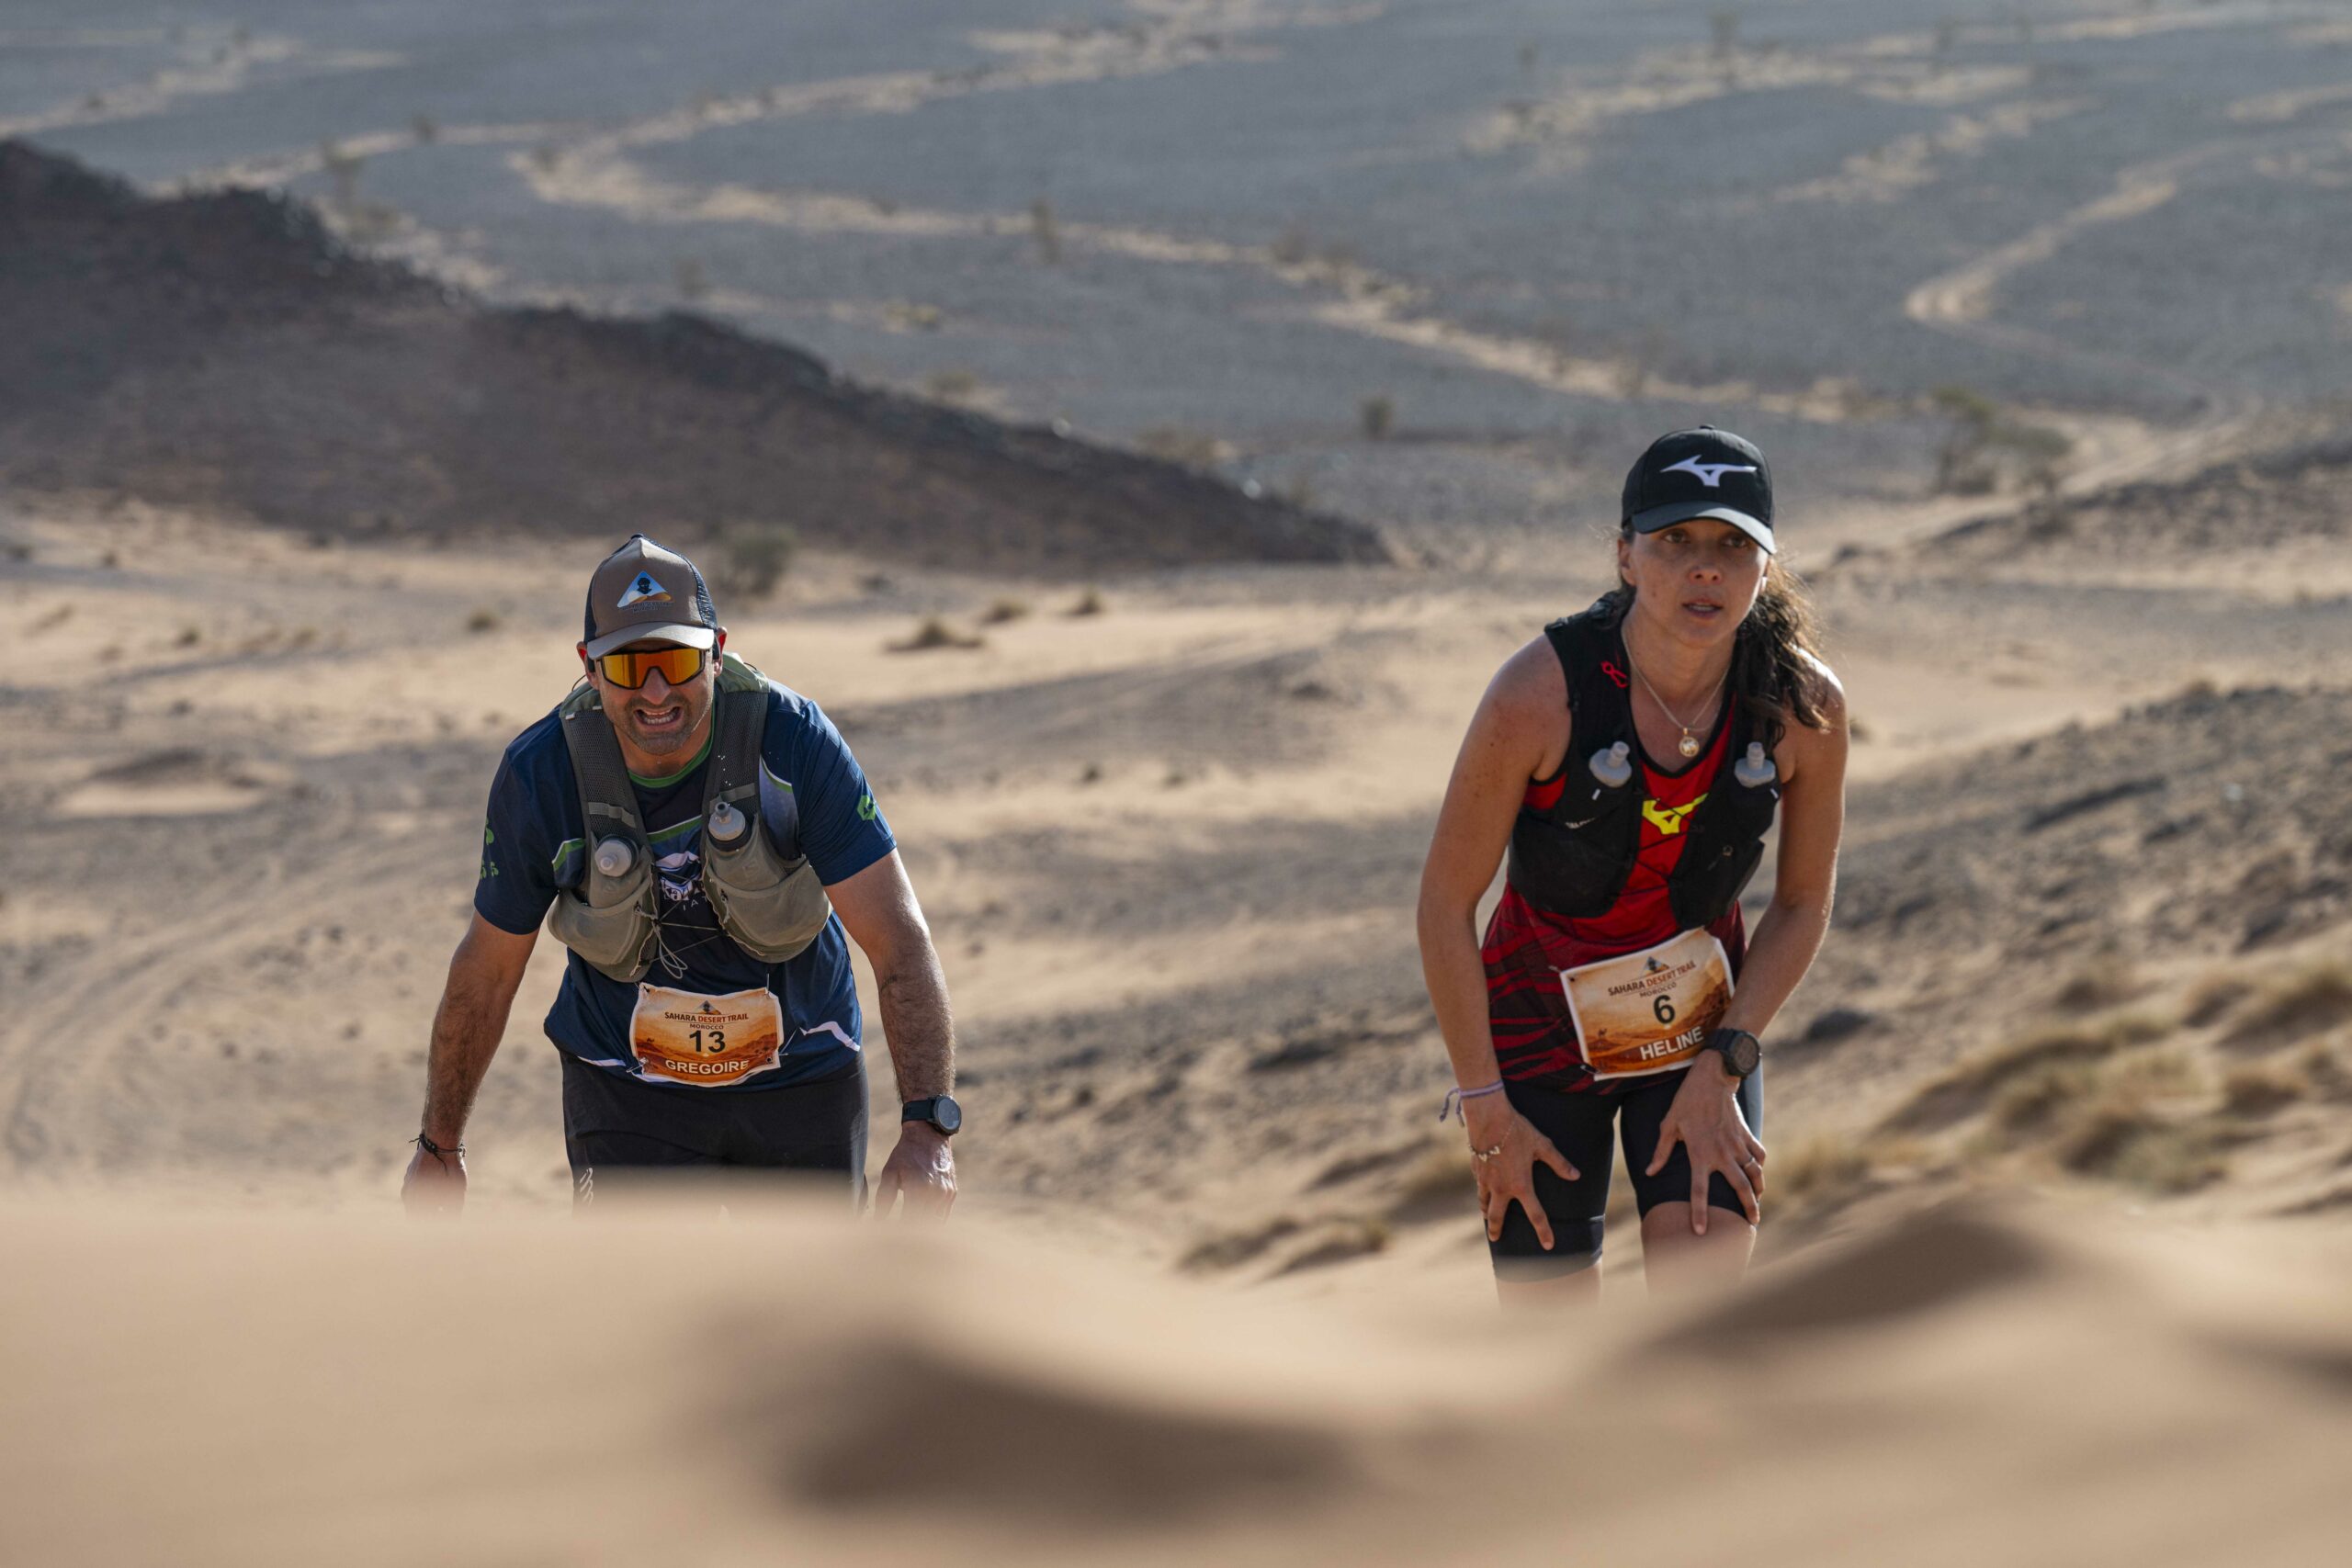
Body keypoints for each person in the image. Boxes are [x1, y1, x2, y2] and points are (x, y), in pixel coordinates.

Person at [401, 536, 961, 1215]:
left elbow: (899, 939)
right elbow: (487, 969)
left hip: (801, 1073)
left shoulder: (794, 741)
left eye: (675, 660)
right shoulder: (543, 774)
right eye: (629, 667)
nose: (656, 691)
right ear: (590, 668)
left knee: (806, 1307)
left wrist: (928, 1125)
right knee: (635, 1307)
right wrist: (439, 1146)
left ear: (716, 652)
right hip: (626, 1086)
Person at [1417, 427, 1846, 1302]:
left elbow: (1801, 902)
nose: (1704, 569)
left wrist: (1724, 1065)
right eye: (1674, 541)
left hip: (1700, 1040)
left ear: (1767, 564)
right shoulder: (1539, 693)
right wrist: (1486, 1106)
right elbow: (1444, 904)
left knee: (1701, 1325)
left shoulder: (1803, 706)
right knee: (1552, 1345)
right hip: (1536, 1039)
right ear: (1624, 555)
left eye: (1732, 545)